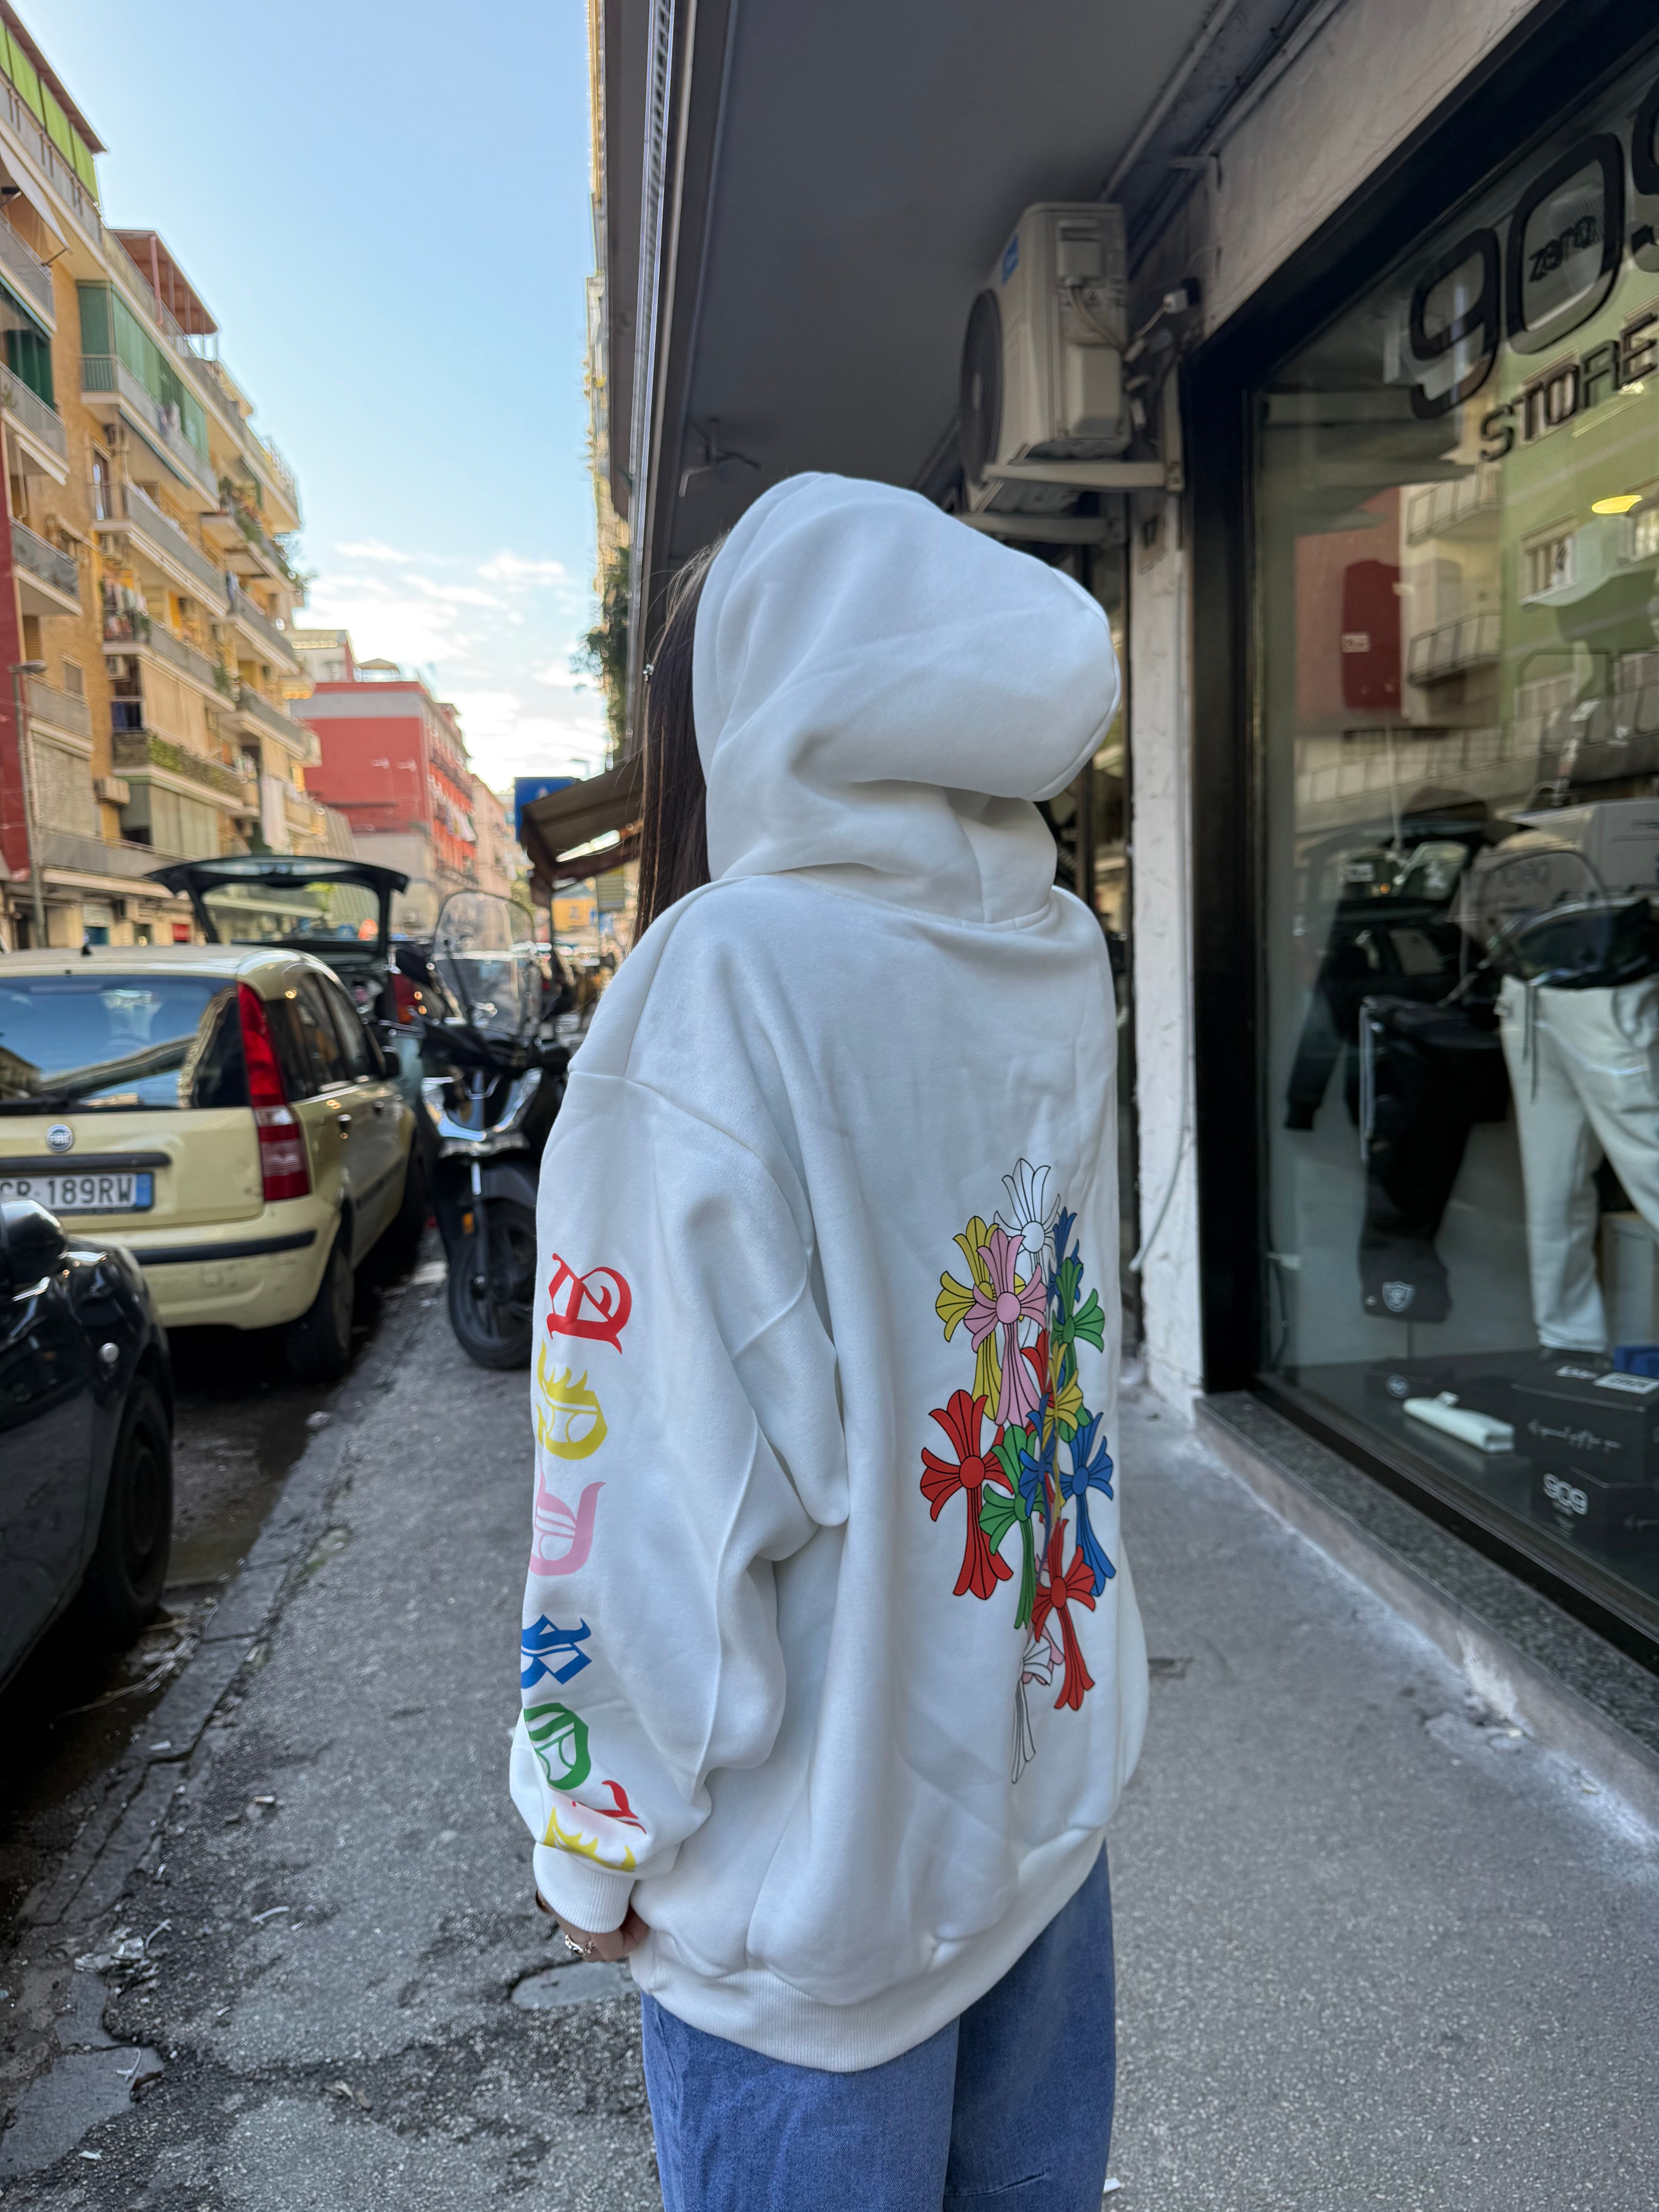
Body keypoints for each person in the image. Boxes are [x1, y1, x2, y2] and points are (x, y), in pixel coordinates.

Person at [510, 473, 1149, 2209]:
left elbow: (660, 1477)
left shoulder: (729, 976)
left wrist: (592, 1827)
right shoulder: (1050, 950)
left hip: (820, 1897)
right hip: (1036, 1808)